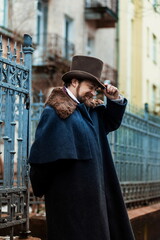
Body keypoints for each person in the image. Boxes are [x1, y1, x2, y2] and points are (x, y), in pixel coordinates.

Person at [28, 55, 135, 240]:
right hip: (70, 201)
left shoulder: (90, 111)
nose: (93, 93)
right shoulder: (55, 112)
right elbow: (43, 162)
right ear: (75, 82)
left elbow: (111, 122)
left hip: (95, 198)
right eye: (90, 88)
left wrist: (115, 99)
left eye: (95, 89)